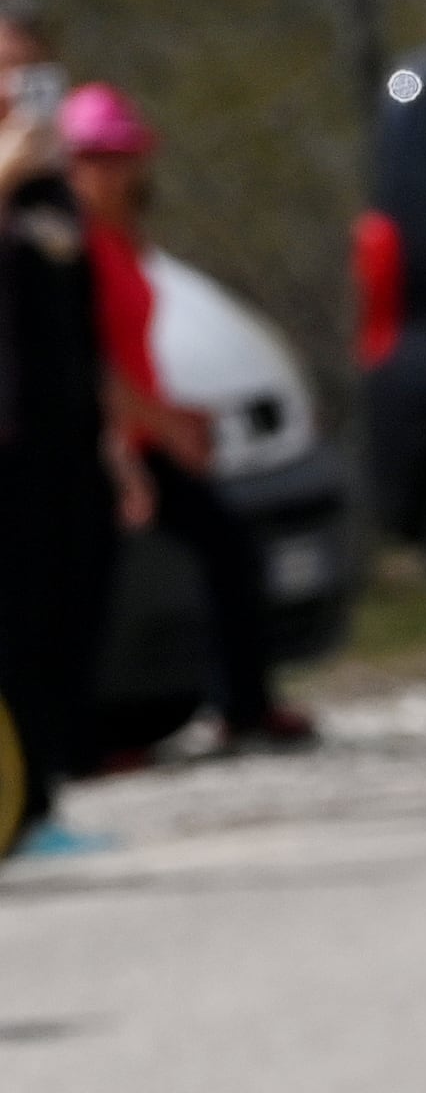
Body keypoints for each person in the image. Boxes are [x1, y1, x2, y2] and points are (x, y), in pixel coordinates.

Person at [62, 87, 307, 754]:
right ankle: (77, 737)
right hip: (105, 438)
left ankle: (245, 705)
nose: (112, 170)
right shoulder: (67, 244)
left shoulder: (121, 239)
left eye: (120, 155)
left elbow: (132, 353)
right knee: (86, 588)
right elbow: (86, 360)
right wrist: (154, 429)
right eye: (94, 157)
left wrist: (172, 416)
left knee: (226, 548)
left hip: (140, 430)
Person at [0, 46, 128, 848]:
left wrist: (115, 437)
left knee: (68, 609)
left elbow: (88, 322)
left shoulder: (52, 192)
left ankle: (44, 796)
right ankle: (18, 812)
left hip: (65, 435)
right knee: (11, 623)